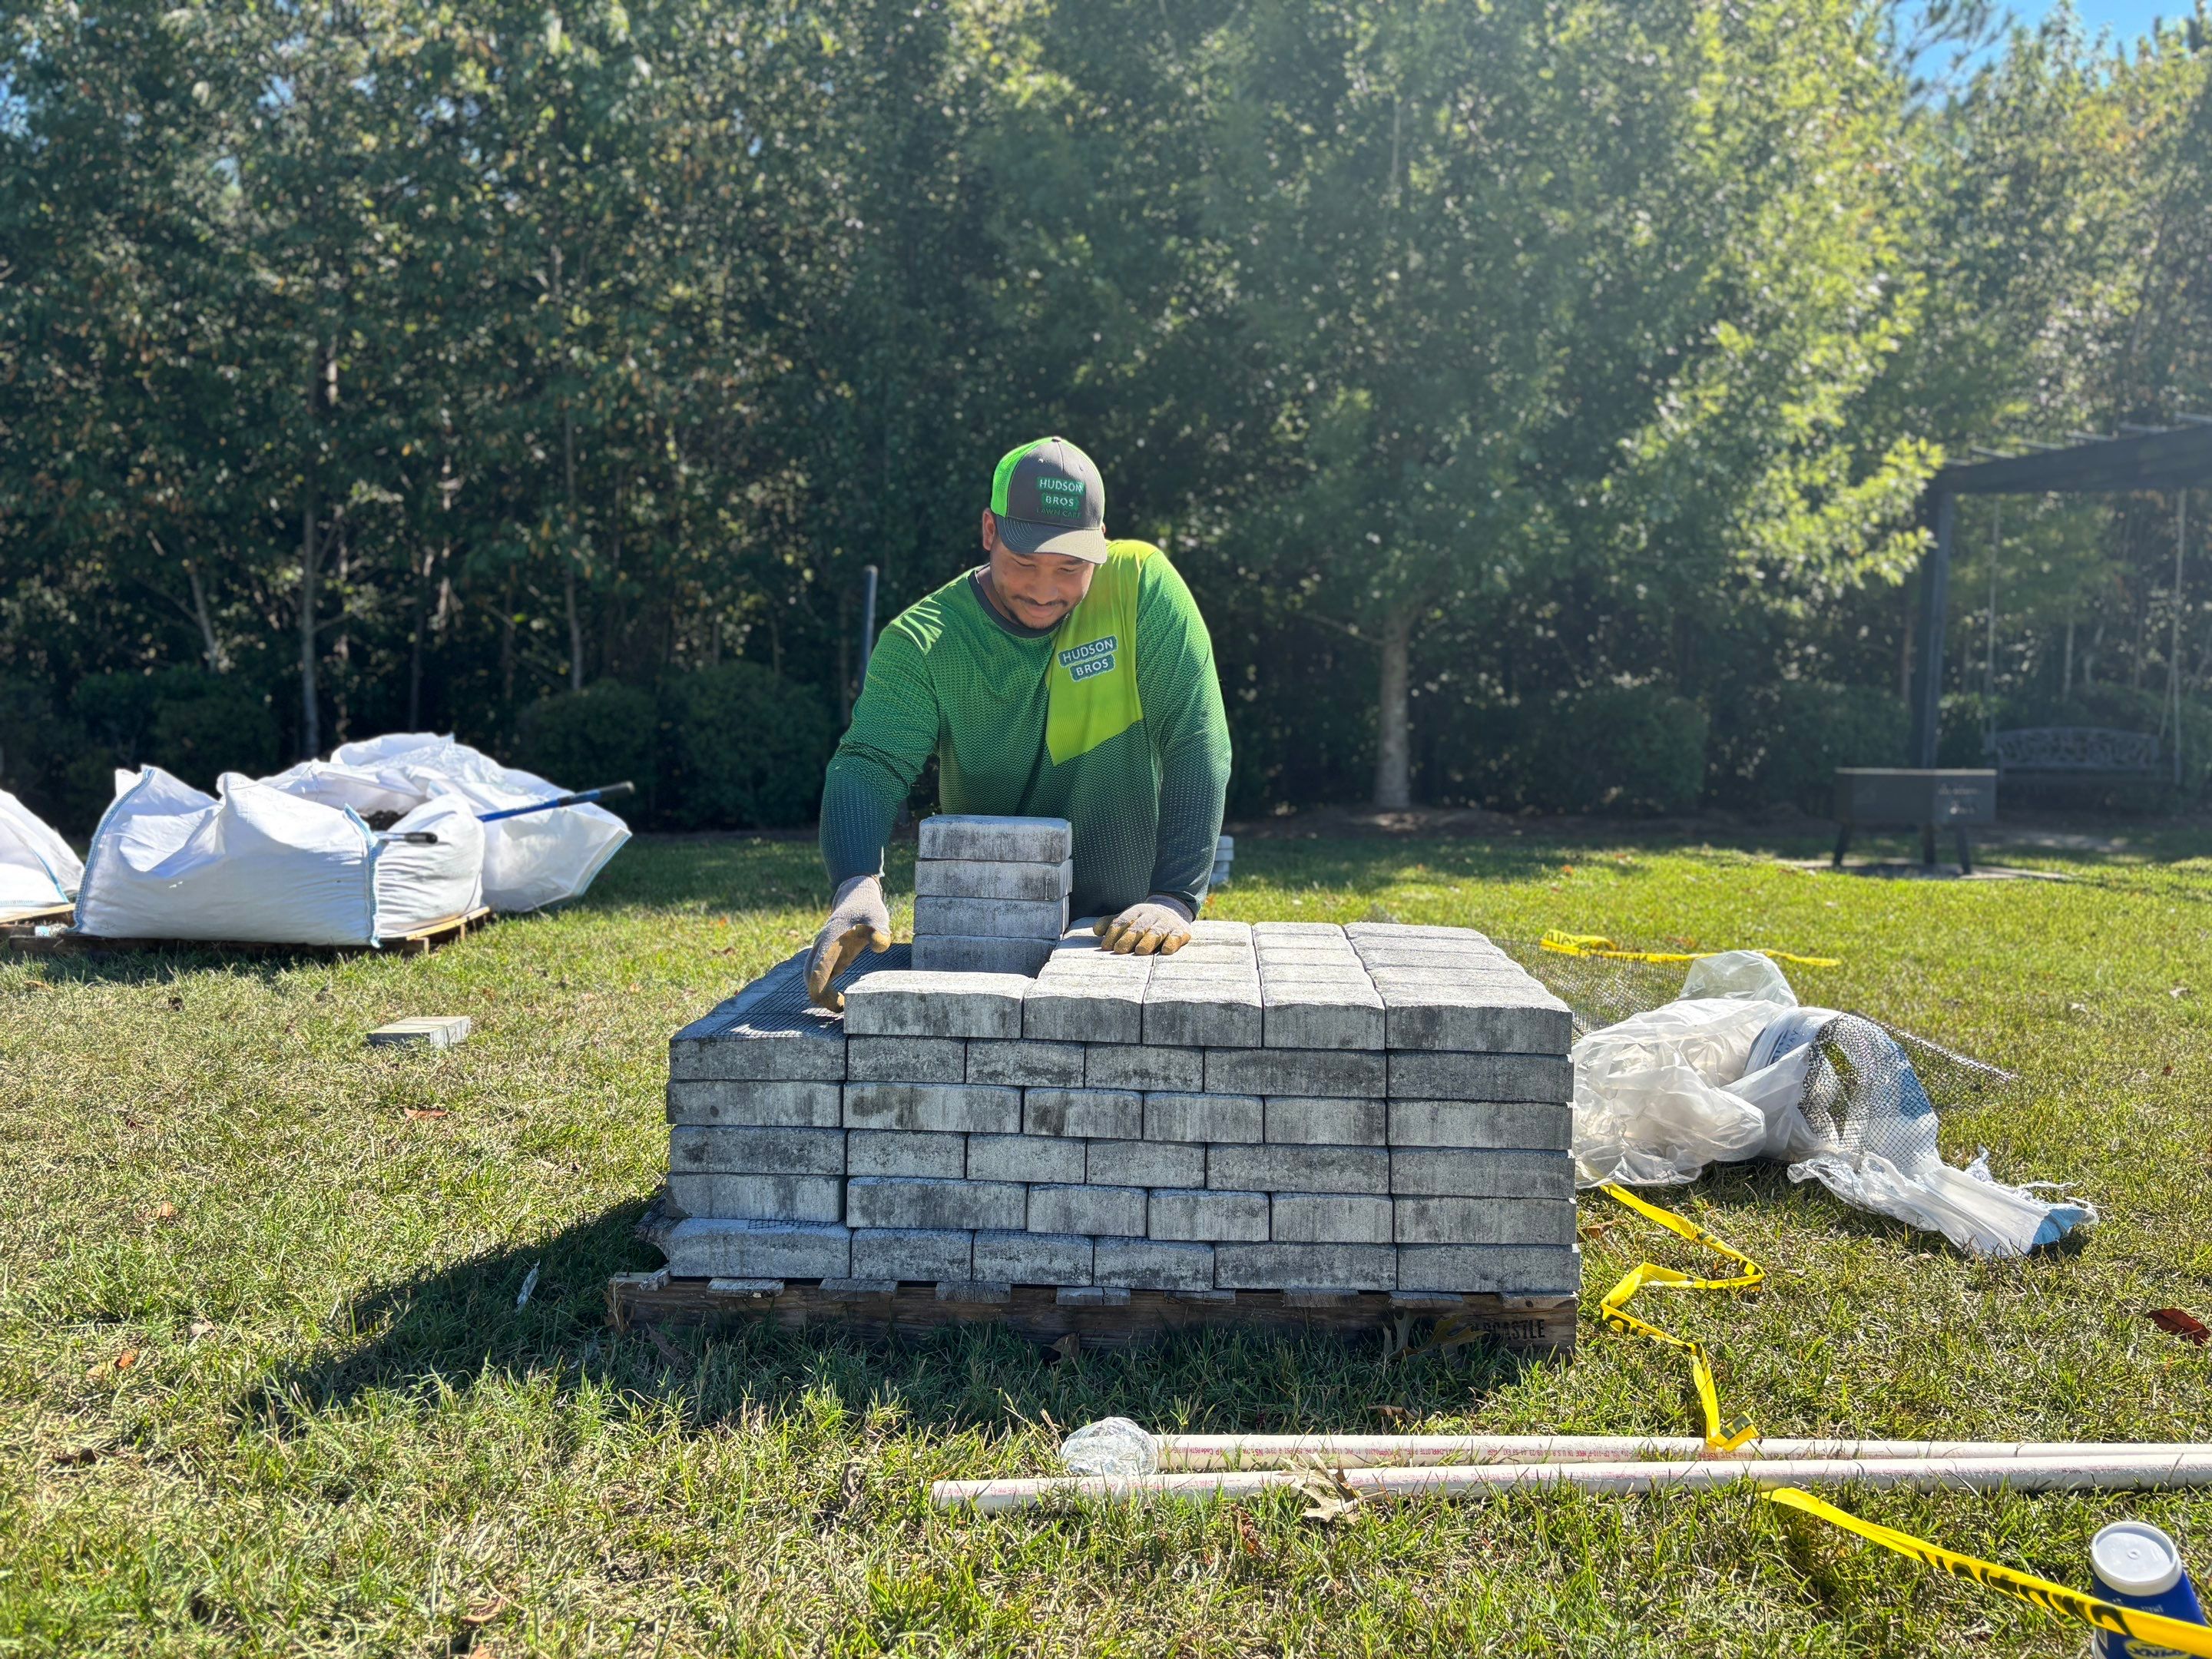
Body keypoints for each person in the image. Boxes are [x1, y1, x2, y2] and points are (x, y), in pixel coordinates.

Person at [806, 435, 1231, 1010]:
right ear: (989, 532)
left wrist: (1174, 897)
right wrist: (856, 883)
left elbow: (1196, 736)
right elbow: (872, 765)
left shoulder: (1140, 585)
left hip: (1124, 933)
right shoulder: (926, 639)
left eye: (1070, 567)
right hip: (986, 930)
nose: (1044, 590)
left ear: (1101, 545)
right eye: (1024, 562)